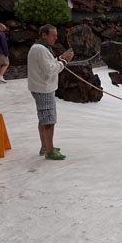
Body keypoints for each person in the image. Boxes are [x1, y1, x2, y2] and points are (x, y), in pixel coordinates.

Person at [27, 24, 74, 160]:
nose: (55, 38)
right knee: (49, 121)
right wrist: (65, 60)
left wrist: (60, 58)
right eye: (53, 35)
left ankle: (45, 146)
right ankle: (50, 150)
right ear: (44, 35)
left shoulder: (40, 48)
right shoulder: (40, 49)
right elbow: (50, 69)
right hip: (44, 89)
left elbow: (48, 65)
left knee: (43, 118)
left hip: (40, 87)